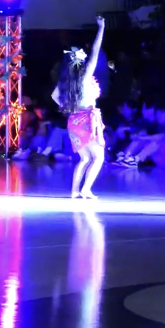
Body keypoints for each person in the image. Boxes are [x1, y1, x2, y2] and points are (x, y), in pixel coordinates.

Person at [52, 16, 106, 199]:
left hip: (73, 121)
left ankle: (75, 191)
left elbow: (54, 96)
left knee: (85, 158)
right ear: (82, 62)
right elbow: (96, 51)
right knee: (98, 157)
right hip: (86, 120)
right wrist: (101, 28)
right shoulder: (84, 76)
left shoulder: (66, 81)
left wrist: (68, 107)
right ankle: (85, 189)